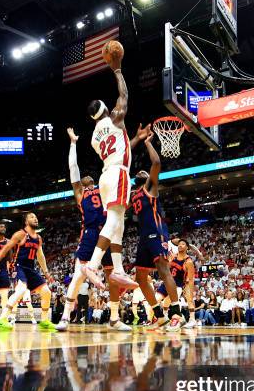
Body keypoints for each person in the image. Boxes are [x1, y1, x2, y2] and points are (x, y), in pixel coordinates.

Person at [56, 128, 134, 332]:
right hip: (90, 234)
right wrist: (73, 143)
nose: (87, 176)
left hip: (107, 233)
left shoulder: (104, 183)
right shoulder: (80, 192)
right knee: (78, 276)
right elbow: (73, 168)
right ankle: (65, 316)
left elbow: (116, 160)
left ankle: (115, 319)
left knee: (113, 278)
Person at [83, 55, 148, 290]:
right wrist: (118, 70)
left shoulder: (93, 138)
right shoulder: (116, 119)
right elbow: (124, 96)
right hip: (118, 174)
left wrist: (137, 139)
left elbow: (119, 149)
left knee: (119, 222)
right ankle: (93, 264)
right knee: (114, 220)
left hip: (106, 175)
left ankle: (118, 269)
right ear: (105, 109)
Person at [132, 132, 183, 332]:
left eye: (146, 172)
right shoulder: (134, 194)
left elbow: (156, 163)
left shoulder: (149, 188)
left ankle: (177, 314)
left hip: (157, 232)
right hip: (144, 237)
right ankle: (159, 316)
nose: (145, 172)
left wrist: (147, 143)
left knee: (163, 271)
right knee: (140, 278)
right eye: (142, 172)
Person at [0, 213, 56, 331]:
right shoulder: (21, 234)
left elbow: (40, 256)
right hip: (19, 266)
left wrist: (46, 272)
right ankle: (2, 319)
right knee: (21, 291)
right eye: (31, 217)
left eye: (36, 217)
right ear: (26, 221)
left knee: (46, 292)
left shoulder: (38, 238)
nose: (35, 219)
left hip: (30, 268)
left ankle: (44, 321)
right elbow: (6, 247)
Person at [156, 239, 196, 328]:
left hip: (178, 285)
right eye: (179, 244)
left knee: (188, 299)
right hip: (166, 283)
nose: (180, 245)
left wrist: (191, 291)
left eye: (183, 244)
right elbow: (166, 269)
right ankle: (164, 317)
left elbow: (191, 279)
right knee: (156, 300)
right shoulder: (173, 256)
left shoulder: (188, 262)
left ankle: (191, 320)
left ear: (187, 248)